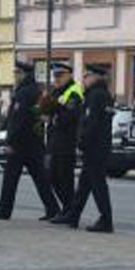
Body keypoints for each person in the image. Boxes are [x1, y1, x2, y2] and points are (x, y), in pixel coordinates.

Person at [0, 61, 60, 221]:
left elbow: (18, 120)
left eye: (16, 73)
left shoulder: (24, 93)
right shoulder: (37, 90)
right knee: (40, 179)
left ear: (23, 74)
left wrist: (10, 142)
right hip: (34, 142)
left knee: (10, 179)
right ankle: (53, 209)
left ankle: (4, 211)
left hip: (20, 144)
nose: (15, 76)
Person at [51, 65, 115, 233]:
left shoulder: (96, 96)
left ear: (96, 77)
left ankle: (106, 220)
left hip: (95, 147)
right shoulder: (104, 95)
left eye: (87, 76)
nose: (84, 79)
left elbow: (90, 123)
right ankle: (74, 215)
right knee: (84, 185)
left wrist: (82, 143)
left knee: (98, 185)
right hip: (99, 146)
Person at [46, 63, 83, 216]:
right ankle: (67, 209)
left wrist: (52, 116)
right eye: (55, 76)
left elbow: (69, 118)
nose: (57, 79)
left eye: (60, 76)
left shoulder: (73, 93)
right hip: (55, 141)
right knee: (53, 177)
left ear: (69, 75)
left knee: (65, 179)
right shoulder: (57, 91)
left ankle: (69, 210)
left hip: (67, 142)